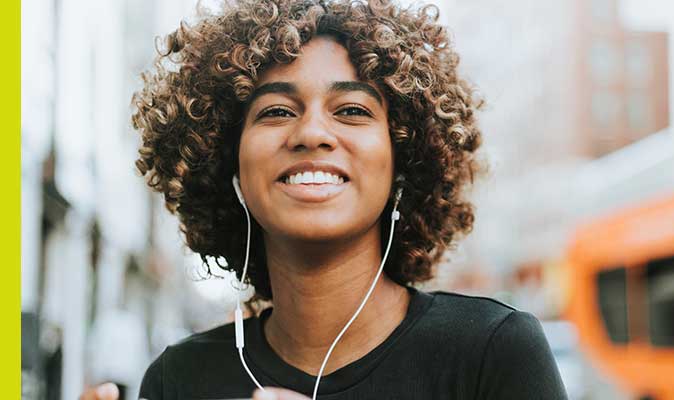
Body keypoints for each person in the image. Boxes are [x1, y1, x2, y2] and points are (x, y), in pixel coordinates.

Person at [82, 0, 567, 399]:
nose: (312, 132)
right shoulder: (178, 380)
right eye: (276, 110)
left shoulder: (492, 353)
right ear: (226, 162)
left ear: (404, 157)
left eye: (352, 110)